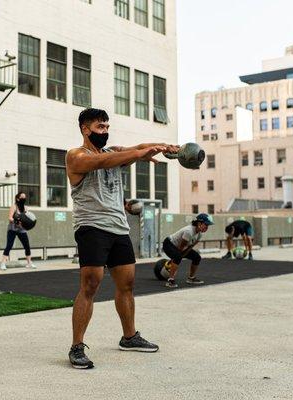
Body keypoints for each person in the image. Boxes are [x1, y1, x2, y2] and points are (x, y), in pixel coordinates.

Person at [66, 107, 179, 369]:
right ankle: (76, 346)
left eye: (107, 127)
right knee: (90, 285)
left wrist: (164, 146)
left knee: (127, 284)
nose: (104, 132)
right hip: (92, 227)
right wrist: (140, 154)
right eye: (99, 127)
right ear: (85, 129)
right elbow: (106, 161)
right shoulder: (76, 156)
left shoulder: (114, 152)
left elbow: (137, 147)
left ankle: (129, 337)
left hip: (119, 228)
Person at [161, 213, 213, 288]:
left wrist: (177, 258)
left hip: (180, 247)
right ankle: (170, 280)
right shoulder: (189, 231)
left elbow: (189, 247)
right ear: (199, 223)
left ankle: (191, 278)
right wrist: (174, 261)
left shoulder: (199, 234)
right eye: (206, 225)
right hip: (168, 244)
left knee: (196, 257)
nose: (207, 227)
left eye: (208, 226)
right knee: (178, 256)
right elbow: (180, 248)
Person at [0, 192, 35, 270]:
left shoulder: (26, 208)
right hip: (12, 229)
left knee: (27, 246)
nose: (24, 199)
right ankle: (3, 264)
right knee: (9, 245)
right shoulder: (14, 206)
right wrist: (16, 221)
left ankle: (29, 263)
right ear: (18, 198)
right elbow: (10, 218)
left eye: (24, 198)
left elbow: (27, 219)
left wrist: (28, 224)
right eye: (22, 197)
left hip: (21, 229)